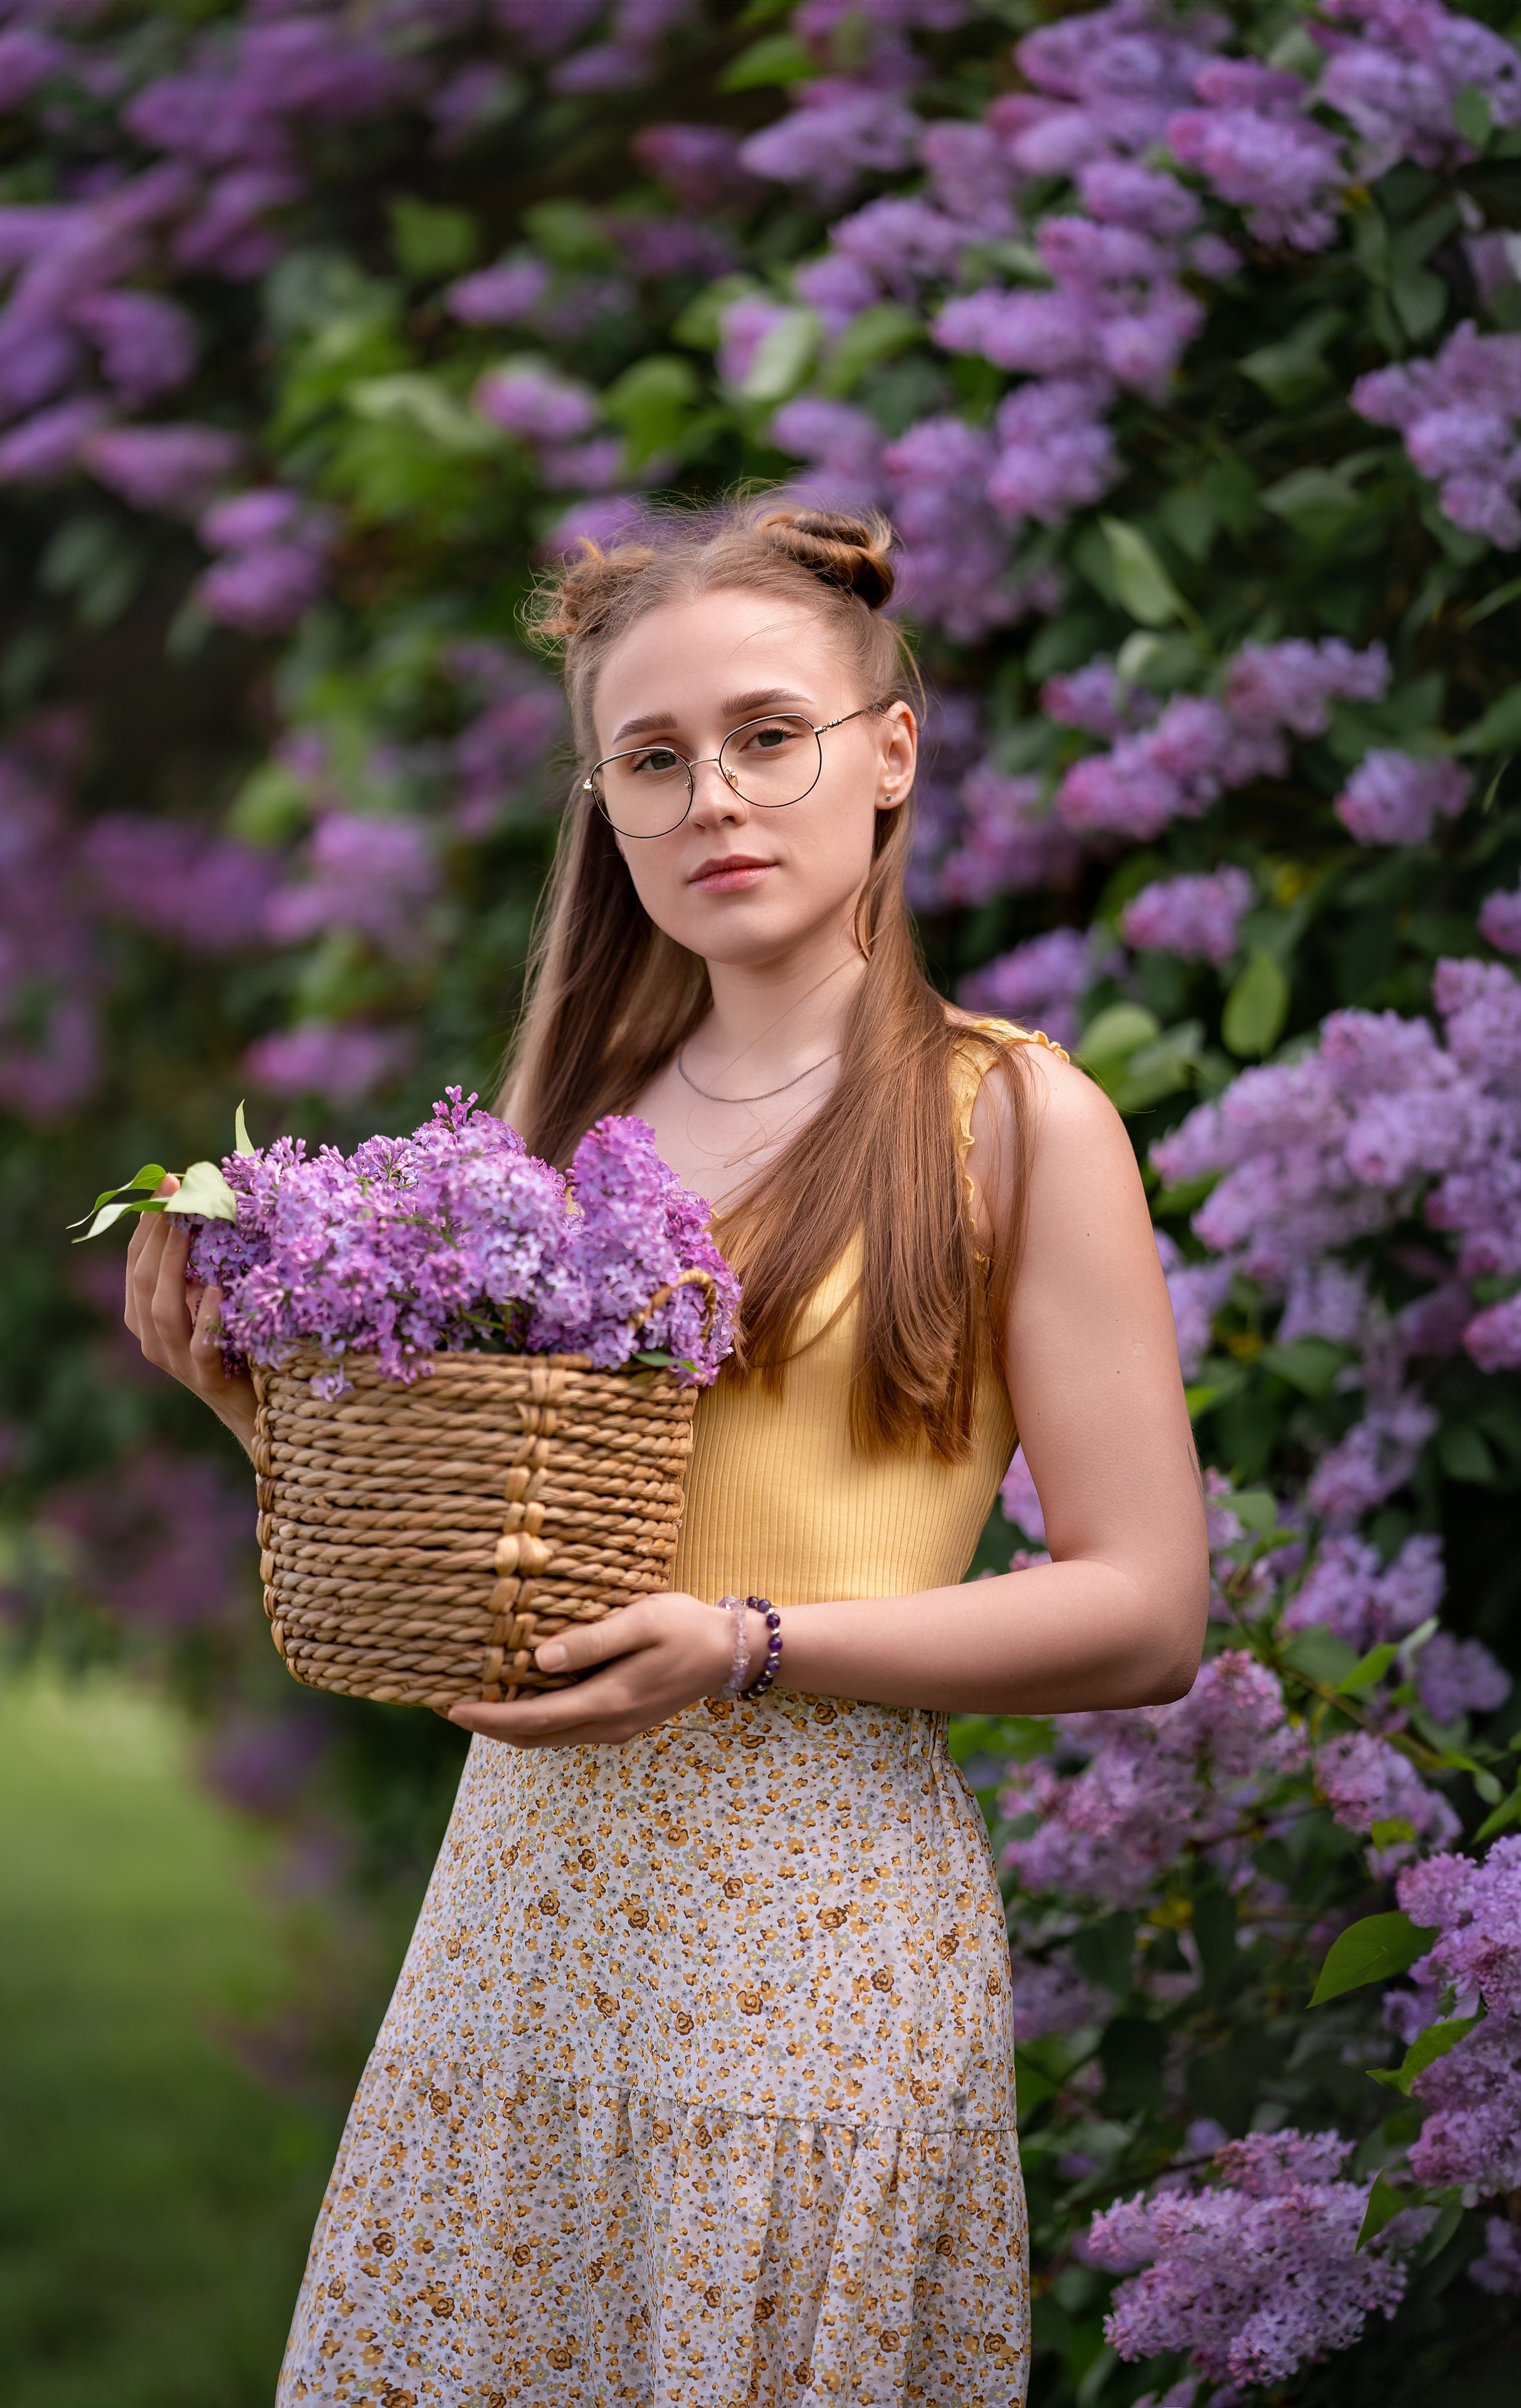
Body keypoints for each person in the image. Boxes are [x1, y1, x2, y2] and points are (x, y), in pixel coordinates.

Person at [125, 501, 1209, 2408]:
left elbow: (1145, 1609)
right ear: (606, 807)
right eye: (653, 756)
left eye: (769, 734)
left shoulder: (1015, 1116)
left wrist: (749, 1642)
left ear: (890, 751)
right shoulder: (562, 1127)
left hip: (809, 1960)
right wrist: (255, 1408)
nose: (715, 792)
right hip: (518, 1933)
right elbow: (501, 1583)